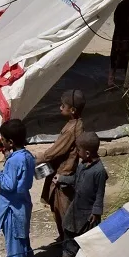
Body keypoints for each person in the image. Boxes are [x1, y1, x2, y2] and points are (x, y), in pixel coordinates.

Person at [0, 119, 35, 257]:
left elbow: (8, 184)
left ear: (11, 142)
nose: (1, 141)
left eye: (3, 139)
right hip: (24, 202)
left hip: (12, 206)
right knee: (23, 235)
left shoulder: (15, 160)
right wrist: (9, 156)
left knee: (14, 238)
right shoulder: (27, 156)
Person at [53, 132, 108, 257]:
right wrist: (61, 179)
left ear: (87, 153)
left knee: (87, 234)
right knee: (68, 227)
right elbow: (75, 179)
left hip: (89, 212)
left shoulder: (99, 172)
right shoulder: (82, 165)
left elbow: (100, 194)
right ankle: (68, 254)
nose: (77, 153)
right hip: (76, 205)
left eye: (79, 150)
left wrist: (96, 212)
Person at [36, 90, 84, 240]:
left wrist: (35, 159)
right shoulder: (75, 124)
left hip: (63, 174)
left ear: (72, 110)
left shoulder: (71, 130)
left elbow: (55, 152)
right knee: (58, 208)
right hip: (60, 170)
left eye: (63, 106)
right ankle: (65, 239)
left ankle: (68, 245)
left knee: (62, 210)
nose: (60, 108)